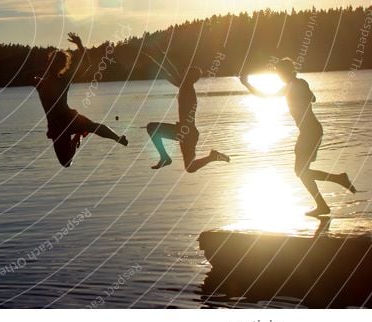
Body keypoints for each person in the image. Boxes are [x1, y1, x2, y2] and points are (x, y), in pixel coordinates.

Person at [239, 58, 356, 217]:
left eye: (280, 73)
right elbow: (313, 98)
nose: (279, 76)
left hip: (310, 131)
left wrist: (247, 83)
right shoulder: (298, 83)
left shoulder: (293, 86)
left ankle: (335, 184)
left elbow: (266, 96)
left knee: (301, 171)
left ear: (286, 72)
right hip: (310, 131)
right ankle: (327, 197)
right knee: (302, 171)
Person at [35, 32, 127, 167]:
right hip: (58, 125)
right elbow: (87, 64)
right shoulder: (41, 82)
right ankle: (79, 136)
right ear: (50, 63)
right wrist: (79, 45)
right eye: (53, 62)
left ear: (60, 66)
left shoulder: (61, 80)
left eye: (57, 62)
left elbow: (87, 65)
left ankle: (118, 138)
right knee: (66, 162)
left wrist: (80, 45)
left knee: (93, 127)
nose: (54, 65)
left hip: (66, 119)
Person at [145, 55, 230, 172]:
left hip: (186, 132)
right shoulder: (185, 85)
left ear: (189, 76)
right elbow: (171, 71)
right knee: (190, 168)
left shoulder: (187, 87)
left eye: (185, 73)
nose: (182, 73)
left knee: (152, 127)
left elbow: (168, 73)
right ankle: (212, 157)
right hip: (187, 131)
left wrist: (154, 58)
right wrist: (163, 57)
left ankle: (165, 157)